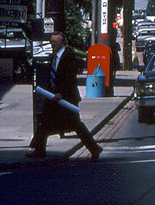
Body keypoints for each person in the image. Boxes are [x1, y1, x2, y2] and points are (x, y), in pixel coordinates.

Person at [27, 31, 102, 161]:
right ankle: (39, 149)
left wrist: (62, 93)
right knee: (43, 121)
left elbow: (70, 78)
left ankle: (94, 149)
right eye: (51, 42)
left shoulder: (69, 56)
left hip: (67, 98)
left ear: (62, 42)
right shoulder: (54, 56)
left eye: (55, 42)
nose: (53, 44)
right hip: (53, 97)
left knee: (76, 125)